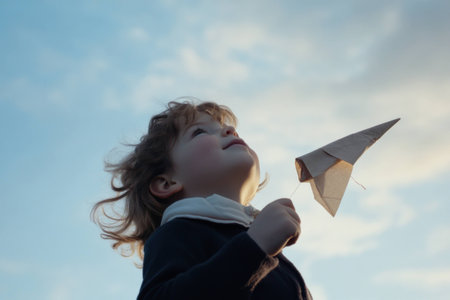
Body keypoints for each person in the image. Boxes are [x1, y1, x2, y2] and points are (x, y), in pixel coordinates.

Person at [91, 100, 313, 299]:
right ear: (167, 183)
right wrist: (255, 246)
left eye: (227, 128)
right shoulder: (178, 233)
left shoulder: (261, 243)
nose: (230, 130)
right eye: (199, 132)